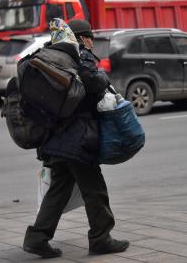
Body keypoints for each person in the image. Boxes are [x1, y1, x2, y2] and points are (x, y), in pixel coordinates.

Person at [22, 19, 129, 258]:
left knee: (58, 191)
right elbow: (93, 82)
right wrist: (104, 79)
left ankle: (37, 238)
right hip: (78, 138)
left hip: (56, 136)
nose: (92, 42)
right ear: (82, 38)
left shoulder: (50, 54)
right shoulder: (81, 55)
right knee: (95, 190)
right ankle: (101, 238)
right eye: (89, 37)